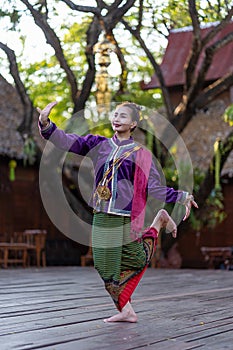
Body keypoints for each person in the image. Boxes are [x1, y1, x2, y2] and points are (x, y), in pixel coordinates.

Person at [37, 101, 198, 323]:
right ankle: (128, 309)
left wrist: (182, 196)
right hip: (103, 212)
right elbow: (67, 141)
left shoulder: (141, 154)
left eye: (123, 116)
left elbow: (154, 187)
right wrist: (46, 124)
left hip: (124, 216)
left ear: (133, 123)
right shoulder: (98, 145)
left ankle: (127, 309)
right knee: (119, 262)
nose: (116, 119)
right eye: (115, 115)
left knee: (117, 263)